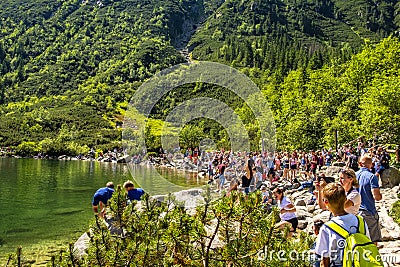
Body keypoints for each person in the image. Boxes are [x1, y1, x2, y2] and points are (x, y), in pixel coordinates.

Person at [314, 183, 370, 267]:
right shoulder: (360, 221)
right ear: (345, 199)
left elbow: (324, 259)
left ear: (326, 202)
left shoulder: (326, 228)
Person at [356, 155, 382, 245]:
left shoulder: (353, 176)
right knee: (373, 241)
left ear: (359, 164)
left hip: (354, 212)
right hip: (368, 211)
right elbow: (377, 197)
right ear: (371, 164)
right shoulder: (372, 177)